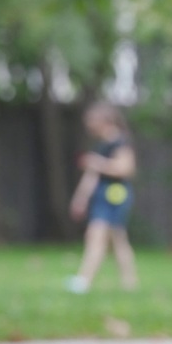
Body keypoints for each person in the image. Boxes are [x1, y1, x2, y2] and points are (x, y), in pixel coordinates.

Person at [67, 101, 138, 293]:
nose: (88, 125)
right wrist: (80, 198)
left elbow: (126, 169)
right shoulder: (102, 145)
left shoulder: (120, 142)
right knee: (118, 240)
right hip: (101, 195)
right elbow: (91, 177)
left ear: (105, 120)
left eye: (91, 121)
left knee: (95, 235)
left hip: (114, 195)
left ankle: (83, 280)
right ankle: (130, 283)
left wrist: (98, 163)